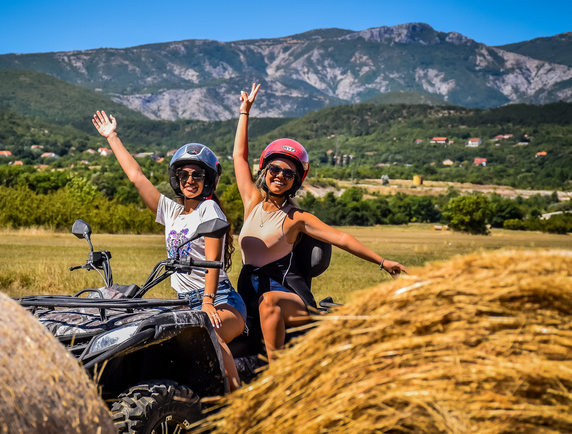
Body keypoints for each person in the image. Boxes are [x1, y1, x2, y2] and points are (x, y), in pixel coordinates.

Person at [233, 84, 409, 364]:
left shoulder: (296, 218)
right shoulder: (251, 202)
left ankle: (276, 378)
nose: (280, 176)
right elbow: (239, 158)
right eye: (274, 169)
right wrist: (245, 111)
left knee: (269, 302)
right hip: (248, 292)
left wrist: (383, 261)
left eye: (289, 173)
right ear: (264, 171)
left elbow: (341, 238)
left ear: (296, 180)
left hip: (286, 298)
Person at [92, 110, 246, 390]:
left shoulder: (209, 210)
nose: (190, 180)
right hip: (184, 300)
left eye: (197, 174)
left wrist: (208, 302)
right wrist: (111, 136)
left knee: (208, 332)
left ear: (207, 180)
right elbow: (137, 177)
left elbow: (213, 263)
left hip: (221, 301)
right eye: (183, 174)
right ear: (176, 177)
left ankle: (238, 404)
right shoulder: (171, 211)